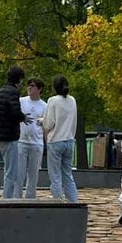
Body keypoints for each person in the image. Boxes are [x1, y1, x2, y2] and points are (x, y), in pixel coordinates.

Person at [0, 65, 26, 198]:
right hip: (9, 136)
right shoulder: (13, 92)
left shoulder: (1, 91)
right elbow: (15, 112)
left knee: (9, 170)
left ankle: (8, 198)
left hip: (0, 135)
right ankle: (7, 200)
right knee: (11, 172)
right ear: (19, 79)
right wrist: (24, 118)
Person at [42, 74, 78, 202]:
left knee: (55, 175)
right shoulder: (72, 100)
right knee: (67, 174)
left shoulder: (53, 101)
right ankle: (74, 202)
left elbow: (48, 124)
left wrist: (41, 123)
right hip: (69, 140)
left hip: (55, 141)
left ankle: (58, 202)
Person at [15, 78, 47, 198]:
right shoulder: (21, 101)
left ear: (40, 89)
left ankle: (30, 199)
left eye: (33, 86)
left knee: (33, 174)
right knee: (19, 173)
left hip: (37, 143)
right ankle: (16, 198)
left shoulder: (45, 106)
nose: (29, 88)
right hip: (21, 141)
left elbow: (47, 125)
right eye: (28, 85)